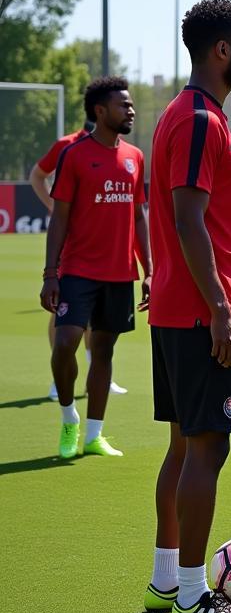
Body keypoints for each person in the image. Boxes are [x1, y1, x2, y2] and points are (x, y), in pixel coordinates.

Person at [145, 0, 231, 613]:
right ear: (221, 50)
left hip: (177, 304)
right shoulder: (199, 120)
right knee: (206, 451)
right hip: (201, 312)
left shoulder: (177, 114)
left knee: (181, 449)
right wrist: (221, 308)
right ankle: (193, 595)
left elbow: (165, 214)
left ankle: (166, 582)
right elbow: (189, 219)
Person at [39, 77, 150, 459]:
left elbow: (139, 216)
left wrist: (148, 270)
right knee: (66, 343)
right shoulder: (74, 155)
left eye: (132, 105)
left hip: (120, 274)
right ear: (100, 111)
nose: (131, 110)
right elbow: (60, 219)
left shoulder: (136, 156)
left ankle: (94, 434)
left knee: (103, 353)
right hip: (78, 270)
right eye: (124, 105)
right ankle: (69, 416)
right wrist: (50, 273)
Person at [32, 121, 128, 399]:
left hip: (106, 246)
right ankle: (58, 378)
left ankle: (95, 376)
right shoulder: (68, 145)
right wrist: (55, 207)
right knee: (62, 311)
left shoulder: (121, 148)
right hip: (72, 245)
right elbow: (37, 175)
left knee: (99, 318)